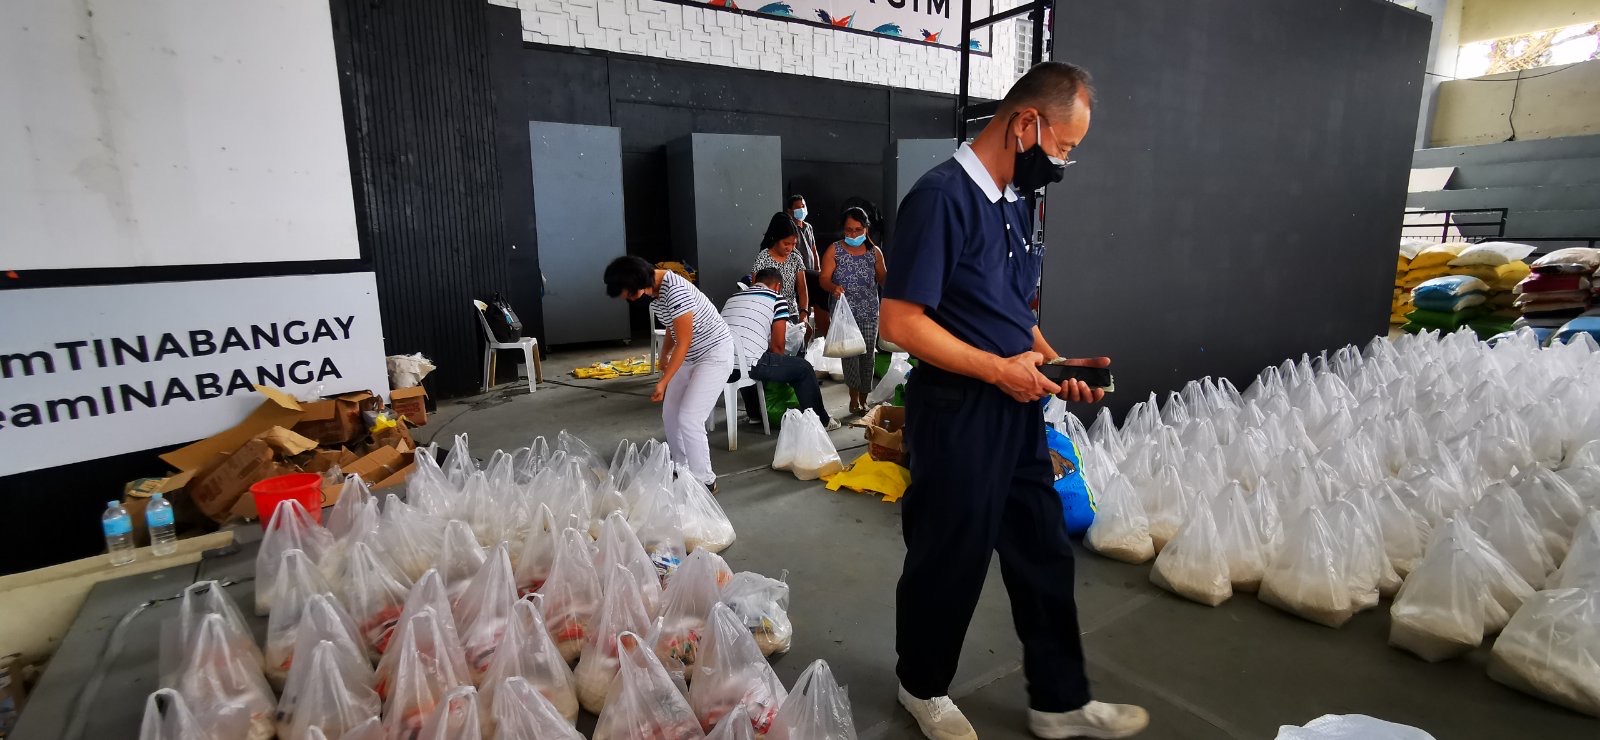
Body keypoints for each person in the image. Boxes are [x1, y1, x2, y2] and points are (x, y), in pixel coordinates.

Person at [880, 62, 1147, 739]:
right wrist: (998, 371)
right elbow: (900, 321)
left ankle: (1058, 700)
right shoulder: (942, 198)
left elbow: (1011, 309)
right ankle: (923, 686)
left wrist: (1051, 364)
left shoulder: (1014, 202)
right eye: (1062, 146)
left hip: (1019, 408)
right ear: (1025, 123)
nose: (1063, 162)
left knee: (1044, 551)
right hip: (958, 412)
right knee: (951, 557)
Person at [603, 256, 734, 493]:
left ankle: (705, 480)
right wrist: (664, 355)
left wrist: (664, 381)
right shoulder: (656, 296)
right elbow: (674, 329)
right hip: (691, 354)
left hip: (714, 354)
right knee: (670, 414)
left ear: (638, 283)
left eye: (628, 294)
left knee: (690, 417)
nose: (628, 299)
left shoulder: (676, 291)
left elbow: (683, 342)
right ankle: (682, 468)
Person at [722, 268, 843, 432]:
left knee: (744, 357)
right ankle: (822, 421)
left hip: (723, 365)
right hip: (748, 366)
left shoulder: (733, 298)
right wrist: (782, 372)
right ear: (778, 286)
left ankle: (755, 415)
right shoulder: (776, 298)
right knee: (803, 368)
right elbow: (778, 346)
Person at [820, 207, 887, 415]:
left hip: (869, 311)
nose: (853, 235)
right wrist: (833, 288)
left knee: (867, 356)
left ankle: (864, 399)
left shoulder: (874, 253)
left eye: (858, 230)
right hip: (844, 313)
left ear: (866, 229)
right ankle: (853, 398)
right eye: (849, 230)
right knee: (850, 356)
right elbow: (824, 278)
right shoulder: (834, 250)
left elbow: (884, 279)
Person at [753, 212, 809, 328]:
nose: (790, 248)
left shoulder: (795, 258)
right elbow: (755, 290)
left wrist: (803, 313)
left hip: (791, 314)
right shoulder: (763, 258)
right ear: (776, 239)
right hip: (768, 315)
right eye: (786, 243)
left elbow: (802, 290)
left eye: (794, 244)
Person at [787, 194, 830, 339]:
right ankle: (805, 337)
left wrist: (818, 269)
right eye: (797, 208)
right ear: (789, 211)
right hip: (799, 276)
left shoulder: (808, 227)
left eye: (803, 206)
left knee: (813, 304)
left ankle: (816, 336)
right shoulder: (789, 229)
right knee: (803, 306)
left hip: (811, 273)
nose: (801, 210)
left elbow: (813, 250)